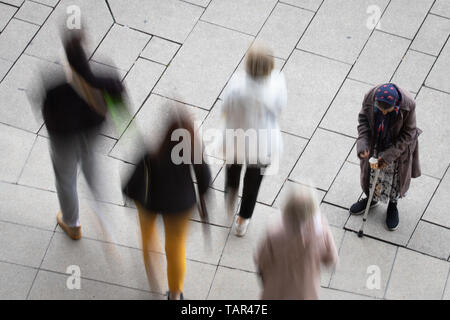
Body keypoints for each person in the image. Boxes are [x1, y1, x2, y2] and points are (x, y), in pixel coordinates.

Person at [42, 31, 123, 240]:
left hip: (64, 139)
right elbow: (119, 105)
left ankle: (72, 223)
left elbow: (47, 113)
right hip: (93, 132)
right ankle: (101, 211)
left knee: (65, 177)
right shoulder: (106, 78)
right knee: (91, 162)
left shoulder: (55, 86)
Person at [123, 110, 212, 300]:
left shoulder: (152, 151)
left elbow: (133, 179)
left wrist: (129, 194)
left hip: (150, 202)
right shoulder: (194, 152)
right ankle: (175, 293)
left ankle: (154, 277)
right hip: (180, 207)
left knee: (147, 236)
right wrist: (200, 199)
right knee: (176, 247)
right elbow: (205, 180)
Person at [222, 45, 287, 237]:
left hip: (237, 137)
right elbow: (279, 108)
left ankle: (230, 195)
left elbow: (225, 108)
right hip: (263, 142)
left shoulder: (236, 84)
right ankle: (242, 220)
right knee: (253, 182)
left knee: (232, 170)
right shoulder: (277, 82)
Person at [350, 83, 422, 231]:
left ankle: (393, 205)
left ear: (395, 105)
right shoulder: (371, 96)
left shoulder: (408, 105)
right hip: (376, 142)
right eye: (379, 110)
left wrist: (388, 156)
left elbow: (408, 134)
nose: (382, 113)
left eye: (386, 111)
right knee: (371, 175)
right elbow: (363, 121)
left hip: (397, 149)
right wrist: (363, 145)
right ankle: (371, 199)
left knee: (395, 179)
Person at [254, 186, 338, 300]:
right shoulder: (322, 232)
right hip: (305, 290)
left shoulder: (274, 229)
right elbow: (331, 259)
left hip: (277, 288)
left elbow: (261, 258)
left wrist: (263, 274)